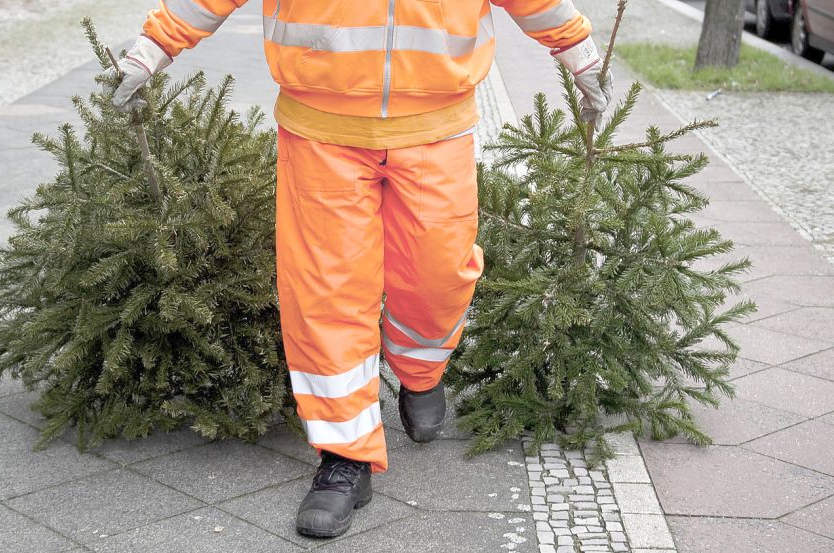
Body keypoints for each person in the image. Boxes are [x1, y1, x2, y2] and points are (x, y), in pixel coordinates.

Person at [104, 0, 611, 539]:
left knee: (441, 276)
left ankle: (420, 374)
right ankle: (344, 456)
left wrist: (581, 58)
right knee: (326, 296)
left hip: (437, 129)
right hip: (320, 133)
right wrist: (151, 50)